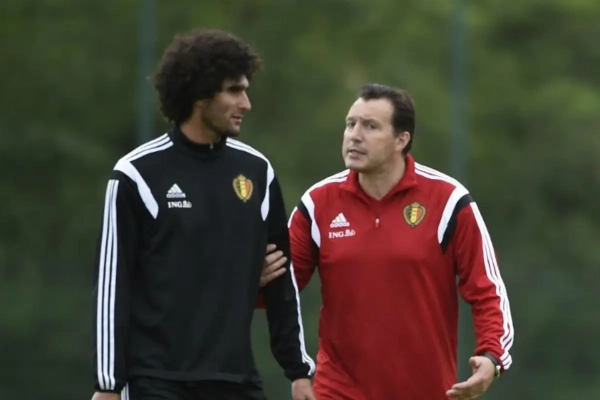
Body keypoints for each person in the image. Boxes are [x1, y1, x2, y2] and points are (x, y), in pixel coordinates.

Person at [91, 28, 315, 400]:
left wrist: (299, 370)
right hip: (156, 381)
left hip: (235, 379)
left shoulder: (257, 171)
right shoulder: (137, 174)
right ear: (199, 94)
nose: (246, 103)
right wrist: (108, 384)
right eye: (234, 91)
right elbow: (113, 287)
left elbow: (281, 281)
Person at [259, 83, 515, 399]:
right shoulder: (317, 203)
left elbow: (487, 290)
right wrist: (250, 280)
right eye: (350, 124)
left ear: (401, 140)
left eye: (370, 127)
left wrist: (492, 356)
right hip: (338, 390)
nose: (354, 136)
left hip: (426, 390)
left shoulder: (449, 201)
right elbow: (280, 289)